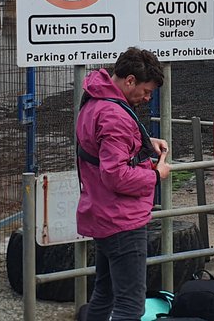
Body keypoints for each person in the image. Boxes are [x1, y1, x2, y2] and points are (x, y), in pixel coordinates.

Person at [76, 47, 171, 321]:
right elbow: (116, 175)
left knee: (104, 295)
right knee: (131, 306)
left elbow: (98, 148)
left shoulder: (94, 99)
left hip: (100, 213)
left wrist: (144, 143)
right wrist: (157, 174)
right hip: (122, 220)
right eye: (146, 90)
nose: (148, 97)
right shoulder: (115, 116)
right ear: (130, 80)